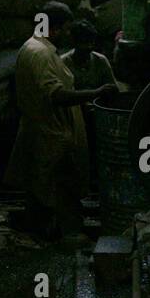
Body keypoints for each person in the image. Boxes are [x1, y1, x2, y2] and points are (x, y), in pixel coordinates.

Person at [4, 1, 113, 237]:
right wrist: (95, 93)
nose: (68, 35)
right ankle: (53, 236)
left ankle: (45, 231)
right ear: (53, 28)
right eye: (65, 29)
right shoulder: (41, 53)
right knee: (53, 188)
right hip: (52, 132)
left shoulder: (39, 48)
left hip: (51, 130)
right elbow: (55, 95)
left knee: (43, 186)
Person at [61, 19, 119, 190]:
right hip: (74, 116)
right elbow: (63, 96)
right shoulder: (63, 63)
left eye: (90, 43)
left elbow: (111, 88)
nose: (87, 47)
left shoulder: (100, 61)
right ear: (74, 43)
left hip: (97, 115)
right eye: (83, 43)